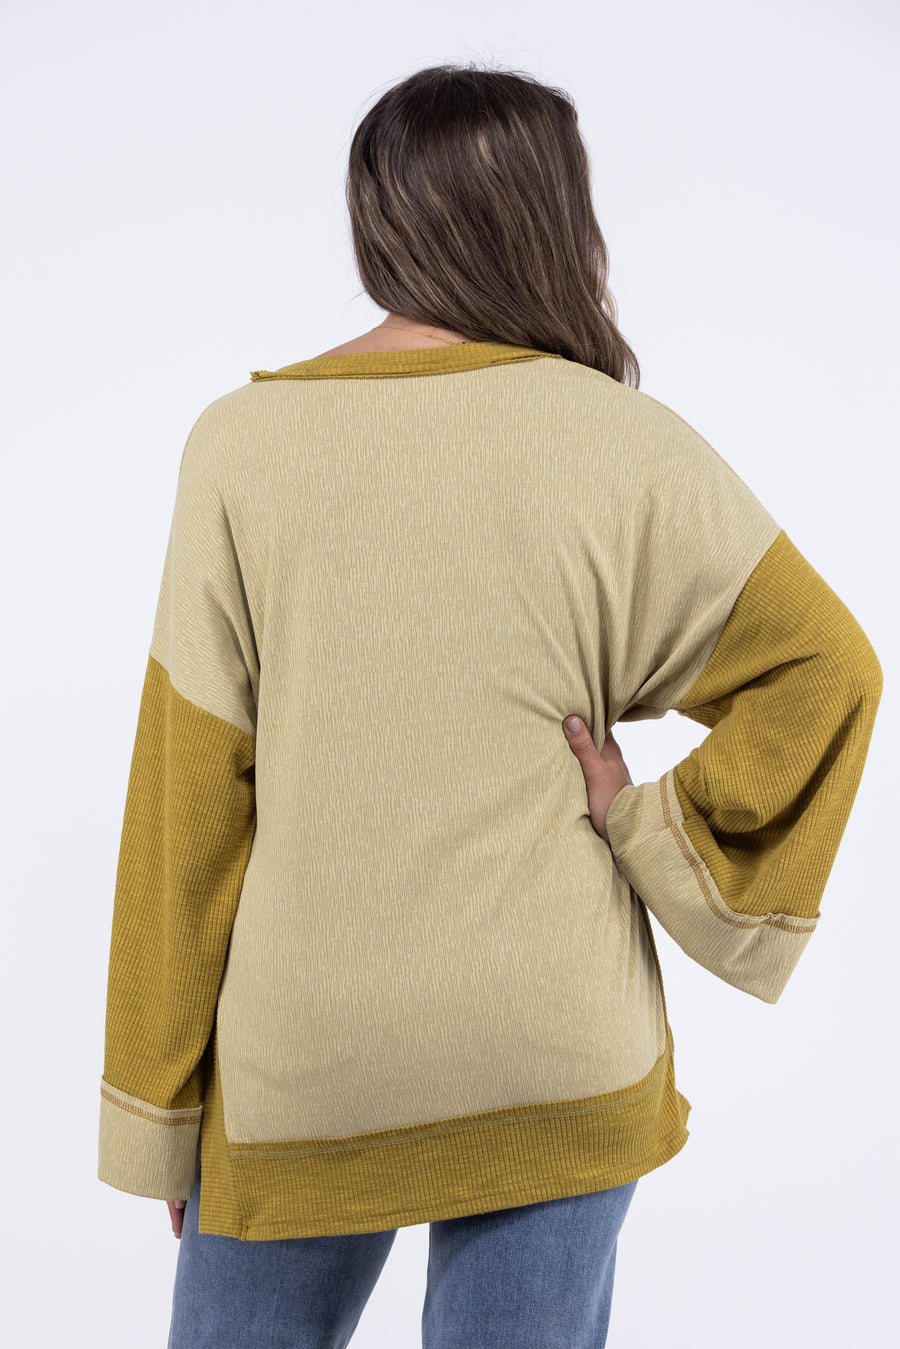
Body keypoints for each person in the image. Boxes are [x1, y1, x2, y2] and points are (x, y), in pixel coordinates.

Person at [97, 62, 883, 1349]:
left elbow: (187, 799)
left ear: (378, 216)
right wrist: (647, 825)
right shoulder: (619, 439)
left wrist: (159, 1110)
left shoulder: (239, 443)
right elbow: (827, 670)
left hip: (308, 1067)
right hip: (557, 1044)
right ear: (553, 216)